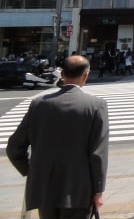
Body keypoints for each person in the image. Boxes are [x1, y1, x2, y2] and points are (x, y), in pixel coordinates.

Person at [6, 55, 109, 218]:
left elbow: (14, 147)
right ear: (86, 75)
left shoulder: (39, 104)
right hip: (79, 189)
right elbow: (98, 153)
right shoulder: (95, 106)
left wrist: (31, 171)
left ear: (62, 75)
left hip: (44, 188)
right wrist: (98, 190)